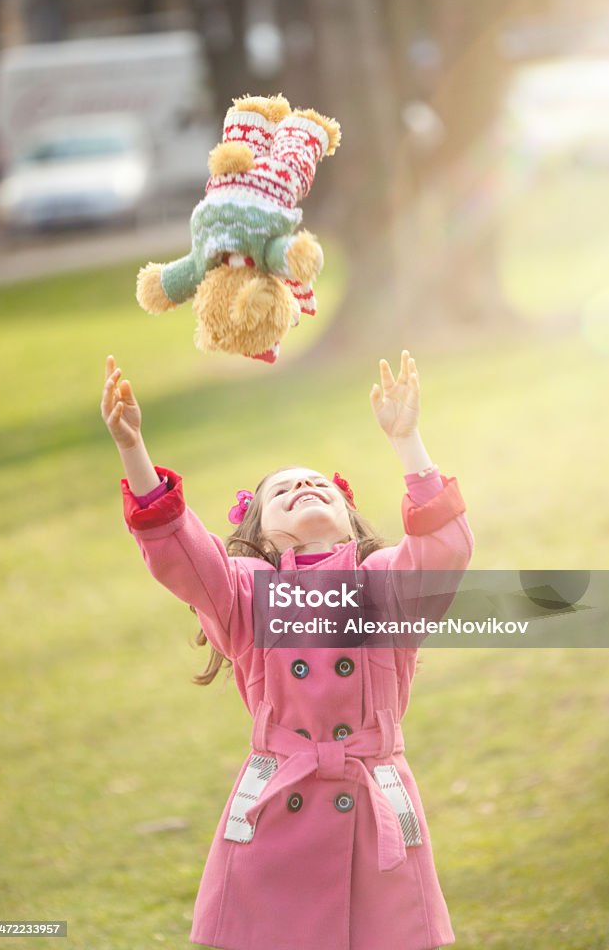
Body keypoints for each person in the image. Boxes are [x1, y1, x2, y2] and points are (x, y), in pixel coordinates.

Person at [100, 350, 474, 950]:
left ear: (351, 522)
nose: (303, 486)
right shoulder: (244, 594)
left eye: (318, 483)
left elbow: (446, 550)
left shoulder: (384, 584)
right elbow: (180, 557)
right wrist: (133, 450)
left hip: (376, 798)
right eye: (283, 491)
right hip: (274, 805)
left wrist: (409, 443)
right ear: (258, 539)